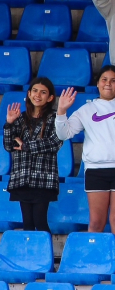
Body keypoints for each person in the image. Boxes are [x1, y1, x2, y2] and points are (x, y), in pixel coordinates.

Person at [55, 66, 115, 267]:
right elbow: (63, 134)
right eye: (104, 79)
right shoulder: (87, 109)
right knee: (96, 223)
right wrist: (61, 111)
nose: (108, 84)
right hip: (96, 171)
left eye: (113, 80)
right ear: (98, 83)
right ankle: (94, 265)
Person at [3, 77, 61, 232]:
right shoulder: (20, 117)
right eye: (35, 91)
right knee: (27, 224)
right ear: (28, 94)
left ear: (50, 98)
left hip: (42, 179)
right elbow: (9, 146)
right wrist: (9, 124)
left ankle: (45, 255)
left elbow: (55, 143)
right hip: (23, 178)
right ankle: (29, 256)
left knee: (40, 222)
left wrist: (27, 145)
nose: (38, 95)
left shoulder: (54, 118)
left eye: (43, 92)